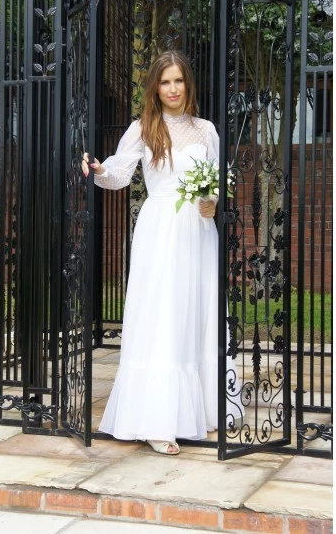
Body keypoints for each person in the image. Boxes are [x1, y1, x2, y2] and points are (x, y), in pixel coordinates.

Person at [81, 49, 244, 455]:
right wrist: (101, 170)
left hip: (199, 232)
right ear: (155, 87)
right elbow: (119, 174)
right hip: (161, 230)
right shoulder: (143, 128)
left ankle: (201, 410)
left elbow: (218, 181)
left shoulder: (206, 130)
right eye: (165, 82)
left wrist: (212, 202)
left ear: (188, 83)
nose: (173, 89)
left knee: (197, 312)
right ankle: (156, 420)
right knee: (162, 315)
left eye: (178, 80)